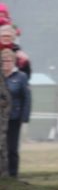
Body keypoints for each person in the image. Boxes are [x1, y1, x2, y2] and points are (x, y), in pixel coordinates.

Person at [3, 49, 30, 178]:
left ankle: (13, 175)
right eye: (4, 61)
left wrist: (24, 117)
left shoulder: (21, 77)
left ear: (14, 62)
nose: (6, 63)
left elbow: (26, 97)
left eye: (9, 60)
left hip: (14, 118)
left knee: (12, 149)